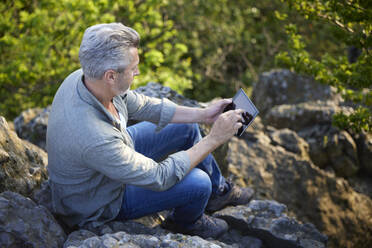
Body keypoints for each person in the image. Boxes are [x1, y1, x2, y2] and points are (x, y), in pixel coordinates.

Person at [47, 23, 254, 239]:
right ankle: (186, 223)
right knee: (198, 183)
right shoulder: (93, 135)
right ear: (111, 76)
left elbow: (142, 105)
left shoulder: (87, 78)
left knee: (185, 126)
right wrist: (214, 139)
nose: (137, 72)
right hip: (100, 200)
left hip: (109, 161)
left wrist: (203, 114)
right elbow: (160, 177)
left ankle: (217, 192)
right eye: (133, 67)